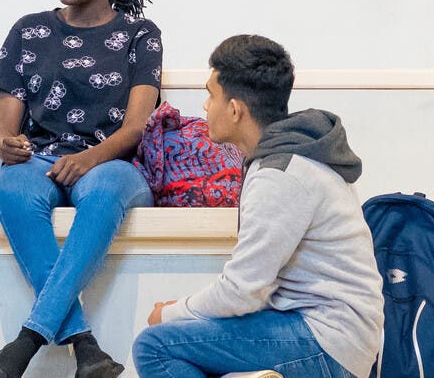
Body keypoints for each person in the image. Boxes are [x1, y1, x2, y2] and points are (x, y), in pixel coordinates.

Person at [133, 35, 384, 378]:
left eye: (210, 94)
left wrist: (171, 312)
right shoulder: (293, 156)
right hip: (327, 332)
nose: (205, 107)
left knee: (155, 345)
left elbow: (242, 291)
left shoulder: (280, 174)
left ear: (235, 109)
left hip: (326, 340)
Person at [0, 0, 161, 378]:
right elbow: (4, 129)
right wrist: (8, 145)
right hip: (41, 160)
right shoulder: (29, 29)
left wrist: (87, 159)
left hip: (111, 163)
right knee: (11, 189)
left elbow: (137, 127)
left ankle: (29, 339)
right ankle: (85, 346)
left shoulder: (140, 36)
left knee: (103, 194)